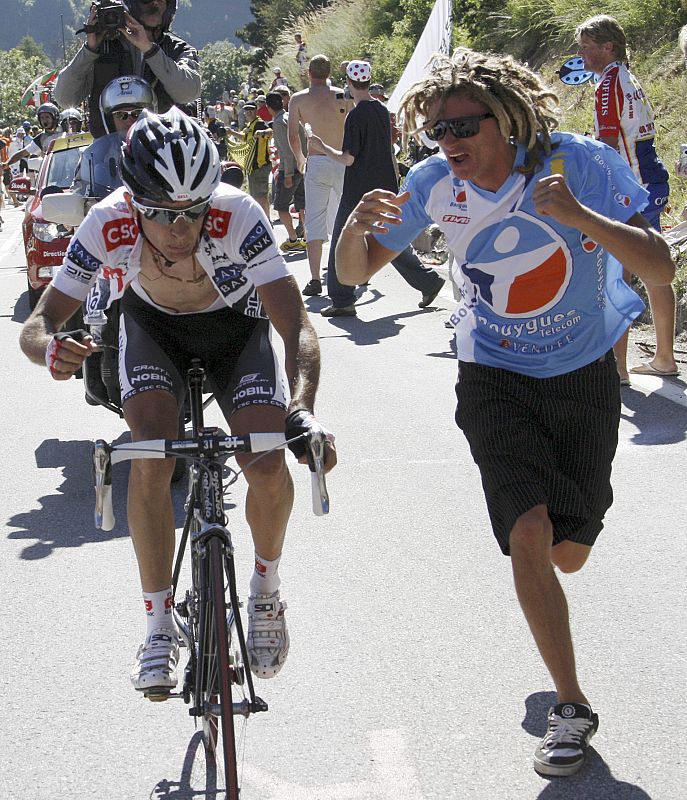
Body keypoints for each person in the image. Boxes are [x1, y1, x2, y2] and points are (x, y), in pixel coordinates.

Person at [335, 47, 674, 777]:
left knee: (568, 551)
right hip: (491, 373)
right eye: (435, 130)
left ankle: (554, 584)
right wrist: (352, 227)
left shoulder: (573, 165)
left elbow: (657, 267)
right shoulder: (429, 184)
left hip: (583, 371)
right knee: (528, 530)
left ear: (509, 121)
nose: (448, 142)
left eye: (462, 125)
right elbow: (352, 274)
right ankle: (570, 705)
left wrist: (579, 216)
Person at [19, 108, 336, 696]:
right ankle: (159, 623)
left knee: (266, 461)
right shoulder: (105, 221)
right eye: (162, 214)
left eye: (193, 211)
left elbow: (296, 326)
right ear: (134, 200)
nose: (180, 228)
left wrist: (302, 406)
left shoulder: (239, 214)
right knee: (150, 457)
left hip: (234, 330)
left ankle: (265, 593)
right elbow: (37, 325)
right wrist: (53, 351)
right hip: (153, 331)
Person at [576, 15, 678, 381]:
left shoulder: (607, 84)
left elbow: (606, 145)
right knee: (654, 267)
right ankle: (664, 357)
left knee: (617, 272)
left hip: (629, 187)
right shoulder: (629, 77)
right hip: (652, 178)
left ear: (609, 46)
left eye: (586, 46)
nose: (581, 53)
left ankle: (617, 369)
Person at [308, 59, 444, 313]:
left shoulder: (355, 115)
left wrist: (320, 146)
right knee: (387, 239)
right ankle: (428, 280)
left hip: (359, 190)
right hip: (385, 186)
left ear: (349, 83)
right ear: (368, 81)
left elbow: (348, 158)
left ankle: (342, 300)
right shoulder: (382, 110)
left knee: (342, 238)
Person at [53, 0, 200, 139]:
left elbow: (188, 93)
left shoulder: (178, 49)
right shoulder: (102, 49)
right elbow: (65, 98)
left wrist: (150, 50)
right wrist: (89, 50)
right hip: (108, 156)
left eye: (163, 0)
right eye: (146, 0)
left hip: (162, 152)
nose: (155, 3)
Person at [287, 54, 354, 294]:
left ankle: (315, 279)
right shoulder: (343, 95)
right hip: (343, 159)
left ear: (309, 74)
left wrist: (300, 159)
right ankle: (353, 271)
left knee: (314, 219)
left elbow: (293, 135)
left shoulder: (298, 99)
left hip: (316, 160)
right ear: (329, 73)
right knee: (346, 216)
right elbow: (353, 124)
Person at [71, 76, 155, 198]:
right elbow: (79, 194)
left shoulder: (165, 149)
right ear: (110, 120)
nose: (129, 120)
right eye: (121, 115)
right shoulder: (95, 156)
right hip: (111, 214)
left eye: (136, 113)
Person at [264, 92, 306, 253]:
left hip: (289, 169)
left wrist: (288, 174)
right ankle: (307, 238)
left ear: (268, 107)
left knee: (281, 206)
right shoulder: (291, 118)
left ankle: (293, 238)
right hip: (302, 167)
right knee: (302, 205)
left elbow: (286, 150)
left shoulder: (279, 122)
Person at [227, 101, 272, 218]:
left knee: (261, 196)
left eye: (251, 109)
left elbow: (270, 132)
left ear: (256, 110)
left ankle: (266, 219)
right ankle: (262, 218)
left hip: (260, 165)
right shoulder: (250, 125)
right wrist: (231, 132)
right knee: (255, 195)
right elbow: (245, 138)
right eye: (246, 110)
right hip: (252, 166)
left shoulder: (259, 123)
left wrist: (262, 132)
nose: (248, 112)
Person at [1, 102, 62, 171]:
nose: (45, 120)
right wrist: (7, 163)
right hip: (54, 172)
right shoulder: (41, 139)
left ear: (54, 117)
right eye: (42, 118)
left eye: (47, 117)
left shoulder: (65, 130)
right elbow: (22, 153)